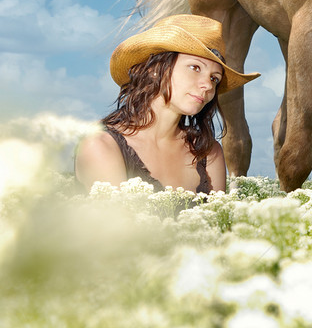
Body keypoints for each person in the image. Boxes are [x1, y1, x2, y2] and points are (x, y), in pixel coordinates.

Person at [75, 14, 260, 193]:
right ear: (155, 69)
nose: (207, 85)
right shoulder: (100, 146)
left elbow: (219, 223)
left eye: (215, 78)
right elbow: (112, 225)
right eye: (195, 68)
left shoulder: (209, 153)